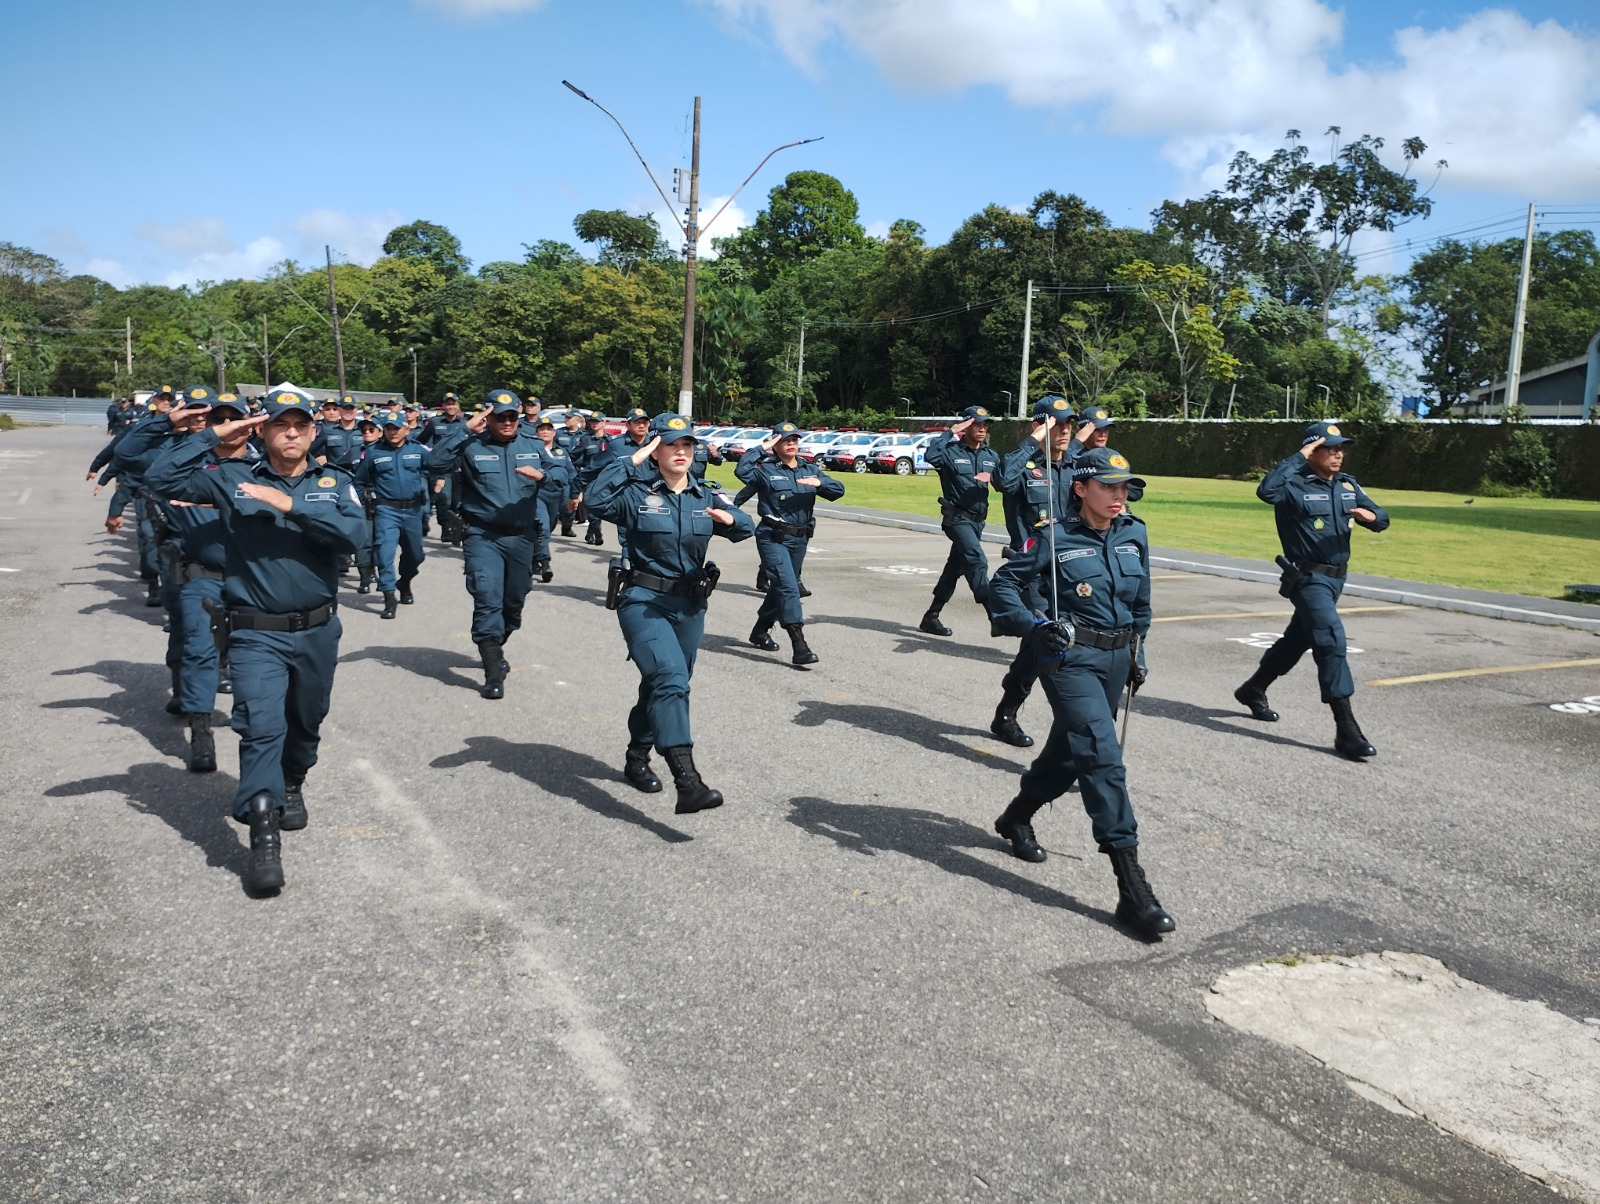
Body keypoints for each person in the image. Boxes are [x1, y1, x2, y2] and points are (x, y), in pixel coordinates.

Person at [145, 388, 366, 895]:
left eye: (301, 425)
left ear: (313, 431)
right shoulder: (232, 478)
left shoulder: (335, 483)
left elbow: (354, 535)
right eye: (280, 424)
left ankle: (293, 781)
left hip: (316, 629)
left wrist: (290, 506)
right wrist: (213, 434)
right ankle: (263, 831)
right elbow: (157, 478)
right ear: (262, 431)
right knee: (260, 727)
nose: (292, 432)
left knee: (304, 722)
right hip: (253, 630)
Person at [988, 446, 1173, 938]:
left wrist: (1138, 652)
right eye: (1108, 487)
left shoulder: (1135, 534)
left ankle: (1016, 817)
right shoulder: (1054, 538)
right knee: (1101, 755)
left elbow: (1142, 603)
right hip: (1069, 659)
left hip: (1116, 658)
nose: (1119, 495)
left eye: (1124, 487)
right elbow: (1002, 586)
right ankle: (1132, 888)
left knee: (1070, 753)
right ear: (1081, 488)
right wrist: (1035, 625)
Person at [585, 414, 755, 813]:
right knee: (670, 678)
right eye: (671, 444)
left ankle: (636, 755)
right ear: (655, 449)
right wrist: (633, 459)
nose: (680, 452)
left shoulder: (705, 494)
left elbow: (745, 526)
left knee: (664, 686)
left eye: (687, 446)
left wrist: (731, 520)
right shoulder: (635, 493)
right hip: (644, 602)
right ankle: (688, 781)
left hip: (690, 606)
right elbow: (595, 500)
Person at [1235, 420, 1391, 760]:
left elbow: (1381, 517)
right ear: (1311, 451)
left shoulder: (1347, 485)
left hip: (1337, 578)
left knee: (1298, 639)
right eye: (1330, 449)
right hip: (1306, 578)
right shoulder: (1292, 484)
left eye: (1340, 450)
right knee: (1331, 640)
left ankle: (1253, 688)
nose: (1338, 455)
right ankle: (1346, 729)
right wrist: (1299, 455)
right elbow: (1266, 491)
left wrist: (1370, 517)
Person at [427, 389, 548, 700]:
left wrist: (544, 477)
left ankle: (496, 645)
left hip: (522, 536)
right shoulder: (470, 445)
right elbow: (433, 462)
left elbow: (564, 474)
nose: (507, 422)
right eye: (500, 417)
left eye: (512, 417)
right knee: (486, 597)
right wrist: (465, 427)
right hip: (483, 536)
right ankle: (492, 670)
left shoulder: (533, 445)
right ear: (488, 418)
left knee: (514, 602)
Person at [736, 420, 845, 665]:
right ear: (775, 443)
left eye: (795, 439)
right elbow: (742, 471)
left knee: (779, 588)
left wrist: (821, 483)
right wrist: (763, 447)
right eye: (786, 440)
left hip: (800, 538)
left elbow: (838, 491)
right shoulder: (765, 468)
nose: (792, 443)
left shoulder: (809, 469)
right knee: (788, 587)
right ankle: (799, 643)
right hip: (772, 536)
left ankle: (760, 630)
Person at [920, 405, 1002, 636]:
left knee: (955, 567)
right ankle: (994, 616)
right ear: (966, 426)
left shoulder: (991, 455)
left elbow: (1005, 482)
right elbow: (930, 456)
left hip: (978, 522)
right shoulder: (950, 451)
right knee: (977, 560)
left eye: (985, 425)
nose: (982, 429)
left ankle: (931, 615)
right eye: (977, 424)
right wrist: (950, 432)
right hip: (956, 519)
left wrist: (995, 479)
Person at [353, 410, 429, 619]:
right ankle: (389, 597)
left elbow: (435, 469)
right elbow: (359, 481)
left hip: (413, 510)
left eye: (397, 428)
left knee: (416, 555)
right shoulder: (373, 452)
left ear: (407, 428)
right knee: (384, 554)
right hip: (386, 510)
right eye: (388, 428)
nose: (393, 432)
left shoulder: (419, 451)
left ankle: (404, 582)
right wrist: (358, 506)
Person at [529, 414, 576, 582]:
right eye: (542, 429)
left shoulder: (561, 451)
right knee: (543, 527)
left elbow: (571, 472)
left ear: (554, 433)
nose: (546, 432)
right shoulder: (530, 450)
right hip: (536, 494)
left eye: (549, 429)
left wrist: (575, 494)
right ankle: (545, 562)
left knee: (547, 527)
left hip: (556, 496)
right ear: (536, 433)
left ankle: (534, 558)